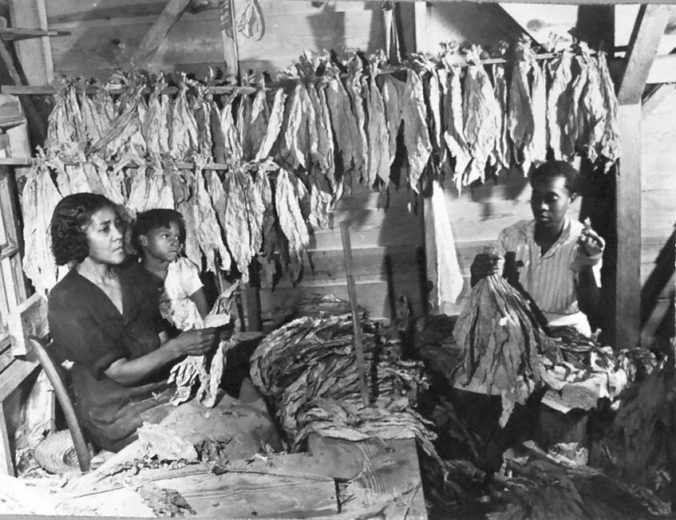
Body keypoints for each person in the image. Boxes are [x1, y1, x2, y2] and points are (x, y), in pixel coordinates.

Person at [47, 193, 220, 452]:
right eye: (104, 229)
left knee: (238, 403)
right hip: (116, 410)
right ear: (78, 238)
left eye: (118, 224)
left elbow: (159, 335)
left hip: (157, 387)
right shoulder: (66, 299)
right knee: (218, 429)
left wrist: (197, 351)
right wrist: (178, 348)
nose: (118, 234)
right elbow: (120, 373)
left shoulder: (131, 272)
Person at [470, 160, 605, 336]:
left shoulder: (583, 241)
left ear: (571, 198)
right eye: (536, 196)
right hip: (519, 329)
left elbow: (591, 308)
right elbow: (486, 295)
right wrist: (478, 275)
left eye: (551, 198)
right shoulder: (512, 236)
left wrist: (586, 263)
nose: (541, 206)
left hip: (569, 332)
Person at [132, 209, 209, 331]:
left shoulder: (183, 268)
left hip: (190, 333)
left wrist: (205, 330)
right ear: (144, 240)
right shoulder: (134, 275)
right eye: (165, 236)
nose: (174, 242)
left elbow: (201, 306)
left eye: (177, 237)